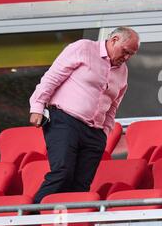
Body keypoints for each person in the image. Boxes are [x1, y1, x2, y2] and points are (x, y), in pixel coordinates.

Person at [29, 27, 139, 204]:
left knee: (80, 186)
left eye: (131, 55)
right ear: (114, 40)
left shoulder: (123, 71)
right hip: (65, 121)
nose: (127, 57)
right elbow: (52, 77)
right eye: (125, 51)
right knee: (62, 173)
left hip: (95, 133)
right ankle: (28, 219)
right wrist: (37, 106)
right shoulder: (83, 48)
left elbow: (113, 106)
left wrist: (105, 133)